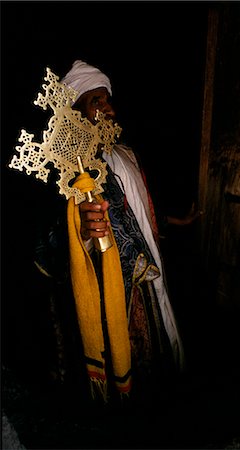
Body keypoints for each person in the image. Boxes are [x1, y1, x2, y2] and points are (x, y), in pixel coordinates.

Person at [34, 60, 199, 410]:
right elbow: (45, 250)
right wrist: (78, 231)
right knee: (117, 376)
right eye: (96, 101)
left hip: (149, 284)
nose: (109, 108)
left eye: (107, 99)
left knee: (156, 361)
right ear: (75, 110)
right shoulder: (64, 170)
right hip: (109, 294)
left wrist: (172, 223)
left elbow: (141, 213)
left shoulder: (125, 155)